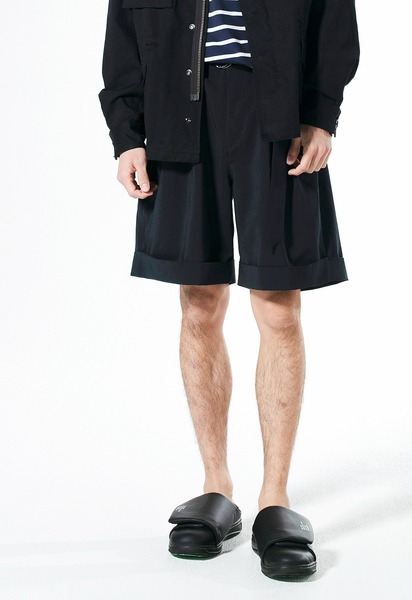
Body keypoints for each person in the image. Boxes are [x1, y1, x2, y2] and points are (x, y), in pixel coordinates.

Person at [98, 0, 360, 580]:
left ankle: (275, 498)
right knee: (198, 303)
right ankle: (216, 486)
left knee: (278, 305)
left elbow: (333, 16)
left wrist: (321, 114)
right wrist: (127, 134)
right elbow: (122, 30)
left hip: (277, 109)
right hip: (177, 110)